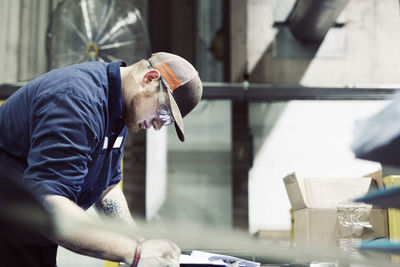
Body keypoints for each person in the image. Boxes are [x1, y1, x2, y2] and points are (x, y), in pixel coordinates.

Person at [0, 52, 203, 267]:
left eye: (167, 121)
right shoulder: (76, 101)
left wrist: (139, 242)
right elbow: (48, 202)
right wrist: (134, 253)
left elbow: (107, 186)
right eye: (163, 113)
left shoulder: (119, 108)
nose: (158, 126)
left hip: (28, 238)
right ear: (149, 79)